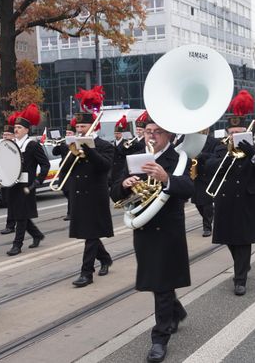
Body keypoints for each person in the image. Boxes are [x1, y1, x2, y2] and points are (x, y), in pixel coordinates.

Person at [110, 117, 193, 363]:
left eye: (158, 132)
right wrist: (125, 184)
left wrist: (167, 178)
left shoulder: (178, 159)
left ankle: (159, 339)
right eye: (148, 131)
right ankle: (175, 312)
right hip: (144, 229)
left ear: (168, 135)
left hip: (168, 230)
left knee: (161, 284)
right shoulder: (136, 157)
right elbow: (114, 191)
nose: (152, 136)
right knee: (157, 281)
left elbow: (189, 188)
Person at [209, 91, 255, 295]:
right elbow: (209, 165)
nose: (235, 135)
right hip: (225, 201)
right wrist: (228, 155)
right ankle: (242, 265)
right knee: (230, 239)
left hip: (246, 200)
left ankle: (240, 279)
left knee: (243, 241)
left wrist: (251, 153)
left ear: (246, 132)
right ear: (227, 133)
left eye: (239, 132)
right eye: (232, 132)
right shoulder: (220, 148)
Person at [69, 110, 115, 287]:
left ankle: (86, 272)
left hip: (95, 195)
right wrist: (69, 151)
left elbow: (105, 166)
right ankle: (105, 258)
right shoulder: (74, 144)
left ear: (93, 126)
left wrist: (89, 150)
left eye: (83, 126)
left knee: (91, 234)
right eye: (78, 126)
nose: (80, 129)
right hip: (79, 194)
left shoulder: (104, 145)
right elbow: (66, 170)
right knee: (89, 232)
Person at [5, 104, 50, 256]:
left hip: (27, 185)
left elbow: (45, 164)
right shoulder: (11, 145)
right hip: (14, 184)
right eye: (15, 127)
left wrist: (38, 181)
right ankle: (37, 235)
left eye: (19, 127)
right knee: (20, 214)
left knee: (21, 215)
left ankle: (17, 245)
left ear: (26, 129)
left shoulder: (32, 145)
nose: (15, 129)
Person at [191, 127, 218, 237]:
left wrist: (202, 155)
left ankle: (207, 227)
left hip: (208, 175)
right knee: (198, 203)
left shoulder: (214, 142)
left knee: (206, 202)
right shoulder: (193, 141)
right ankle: (211, 215)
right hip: (196, 174)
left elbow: (216, 156)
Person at [0, 118, 18, 234]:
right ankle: (35, 233)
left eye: (8, 134)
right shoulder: (2, 146)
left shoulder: (16, 147)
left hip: (15, 180)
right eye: (4, 134)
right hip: (5, 179)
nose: (5, 136)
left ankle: (10, 225)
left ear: (13, 136)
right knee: (9, 203)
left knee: (13, 205)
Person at [110, 115, 129, 185]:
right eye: (115, 134)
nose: (116, 135)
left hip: (122, 168)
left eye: (118, 133)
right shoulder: (112, 143)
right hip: (113, 169)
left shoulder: (126, 142)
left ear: (121, 134)